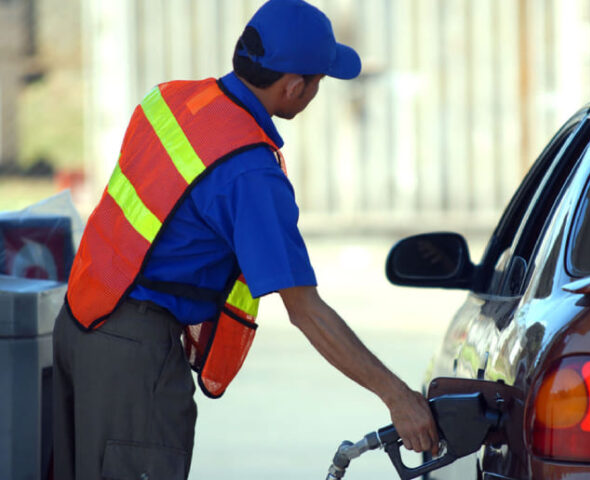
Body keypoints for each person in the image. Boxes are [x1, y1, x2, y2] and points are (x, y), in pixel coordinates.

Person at [52, 0, 438, 478]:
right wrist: (398, 397)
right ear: (294, 87)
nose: (317, 91)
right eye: (318, 82)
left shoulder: (171, 99)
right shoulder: (250, 172)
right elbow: (306, 311)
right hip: (133, 358)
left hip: (79, 324)